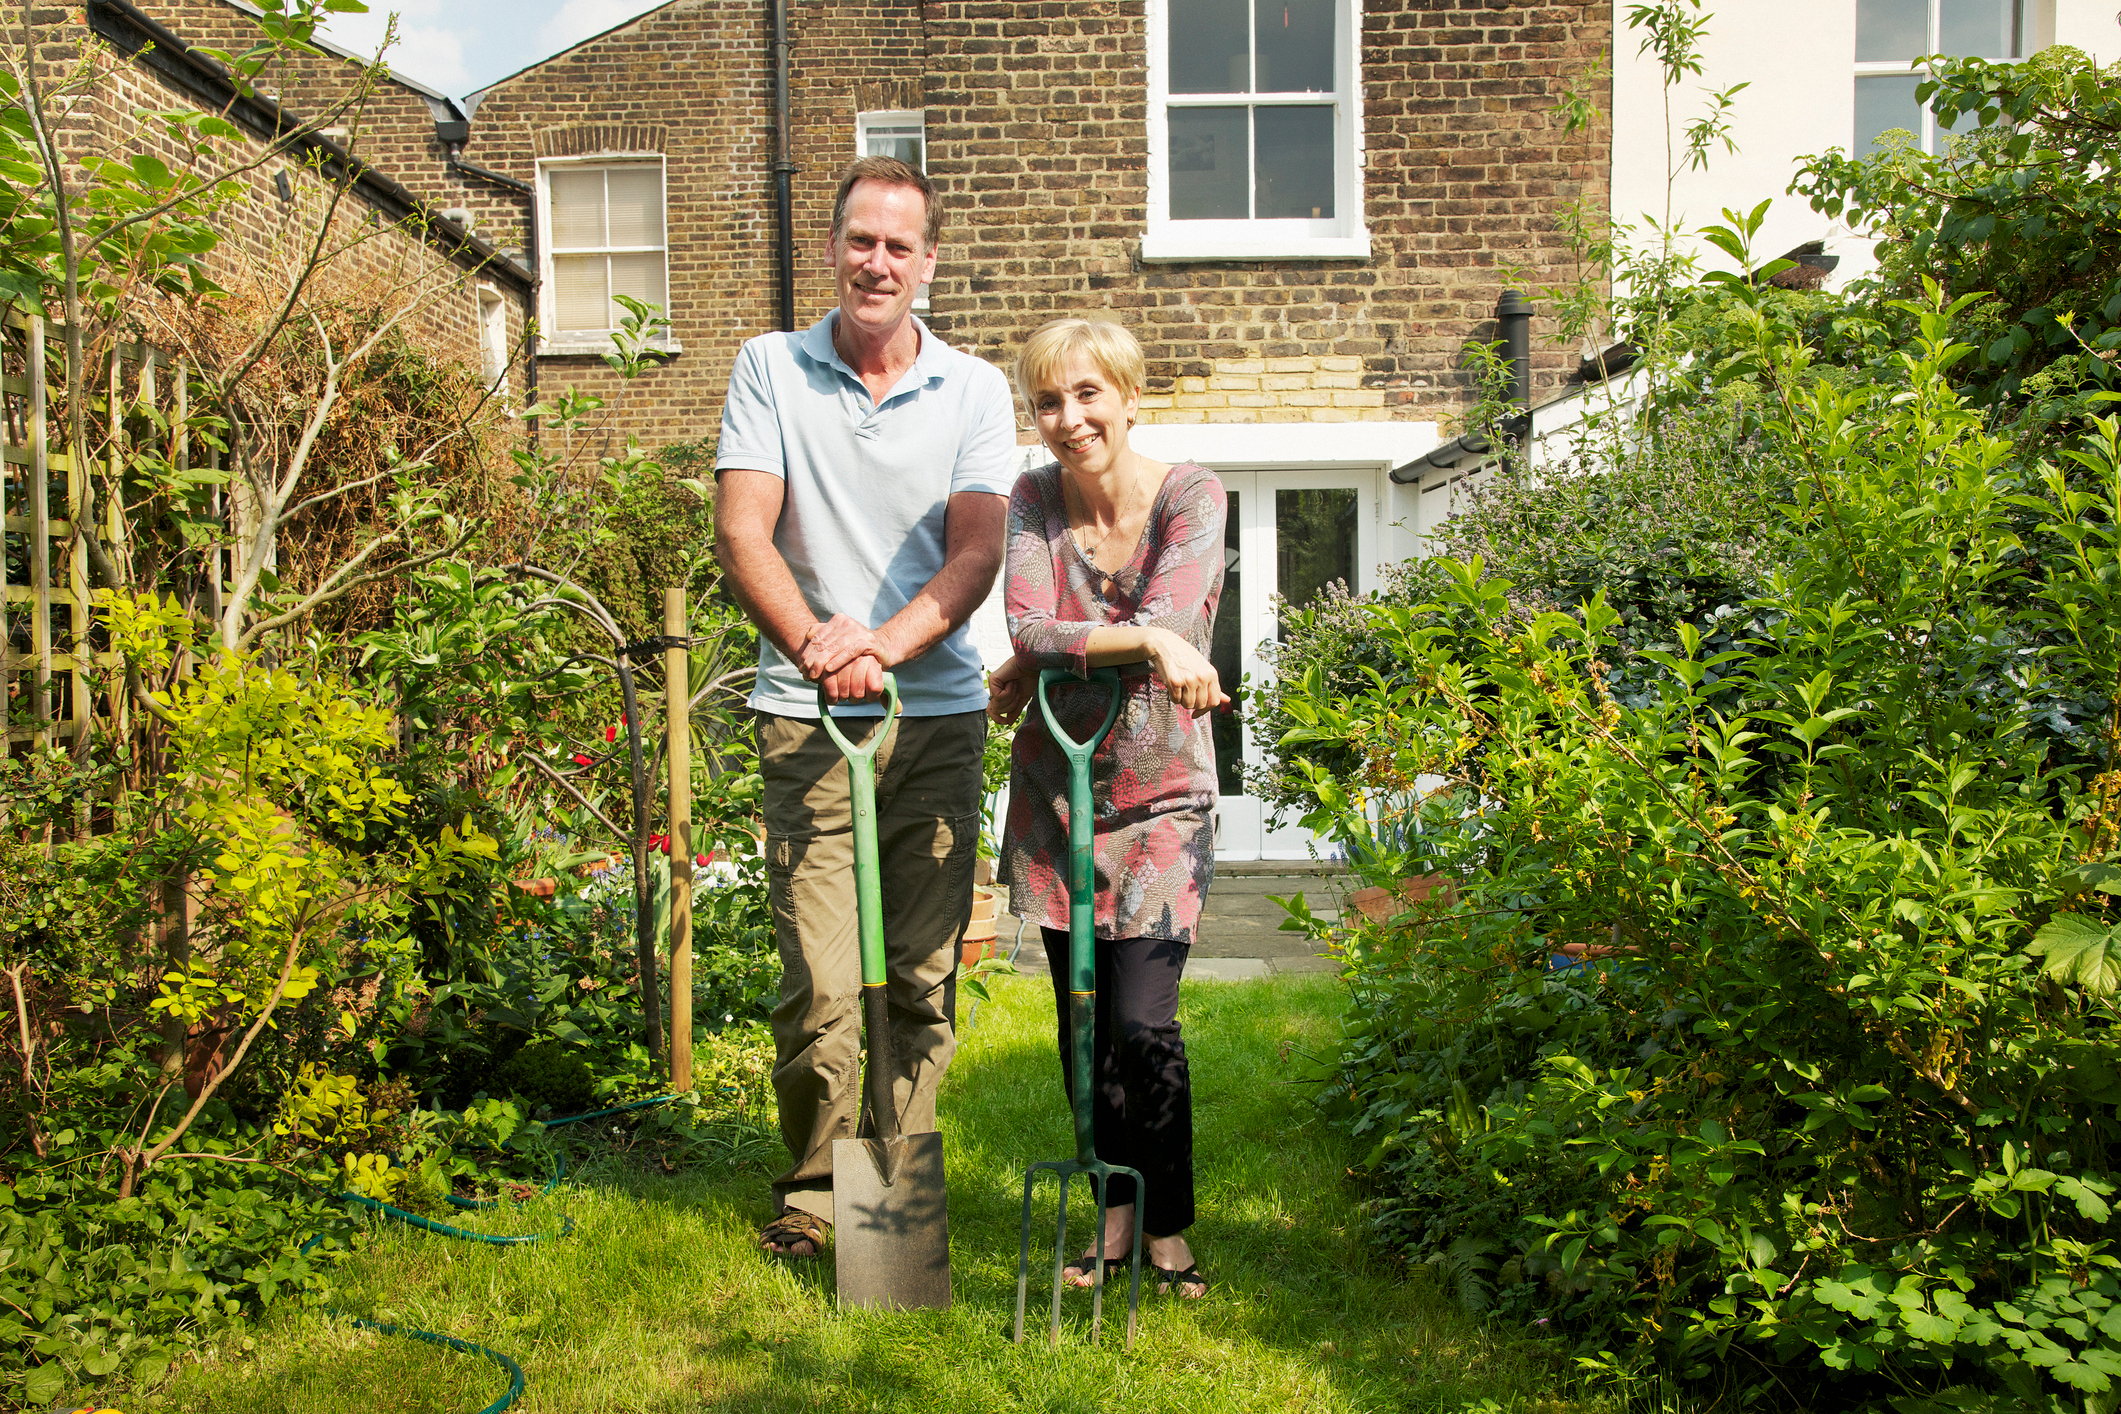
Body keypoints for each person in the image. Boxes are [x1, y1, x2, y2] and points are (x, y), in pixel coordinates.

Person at [714, 156, 1017, 1259]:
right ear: (833, 246)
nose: (875, 261)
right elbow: (746, 530)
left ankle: (894, 1210)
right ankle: (812, 1196)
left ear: (927, 262)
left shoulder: (973, 389)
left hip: (932, 716)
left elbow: (978, 546)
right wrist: (817, 647)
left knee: (925, 977)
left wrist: (882, 647)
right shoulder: (771, 368)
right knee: (824, 981)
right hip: (808, 715)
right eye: (859, 240)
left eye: (898, 245)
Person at [987, 317, 1227, 1299]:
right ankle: (1113, 1223)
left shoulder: (1191, 495)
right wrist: (1142, 649)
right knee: (1083, 1022)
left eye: (1089, 394)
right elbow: (1026, 620)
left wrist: (1124, 641)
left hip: (1163, 797)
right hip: (1060, 795)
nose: (1070, 417)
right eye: (1049, 400)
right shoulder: (1032, 498)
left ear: (1130, 396)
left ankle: (1170, 1226)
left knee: (1143, 1021)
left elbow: (1174, 615)